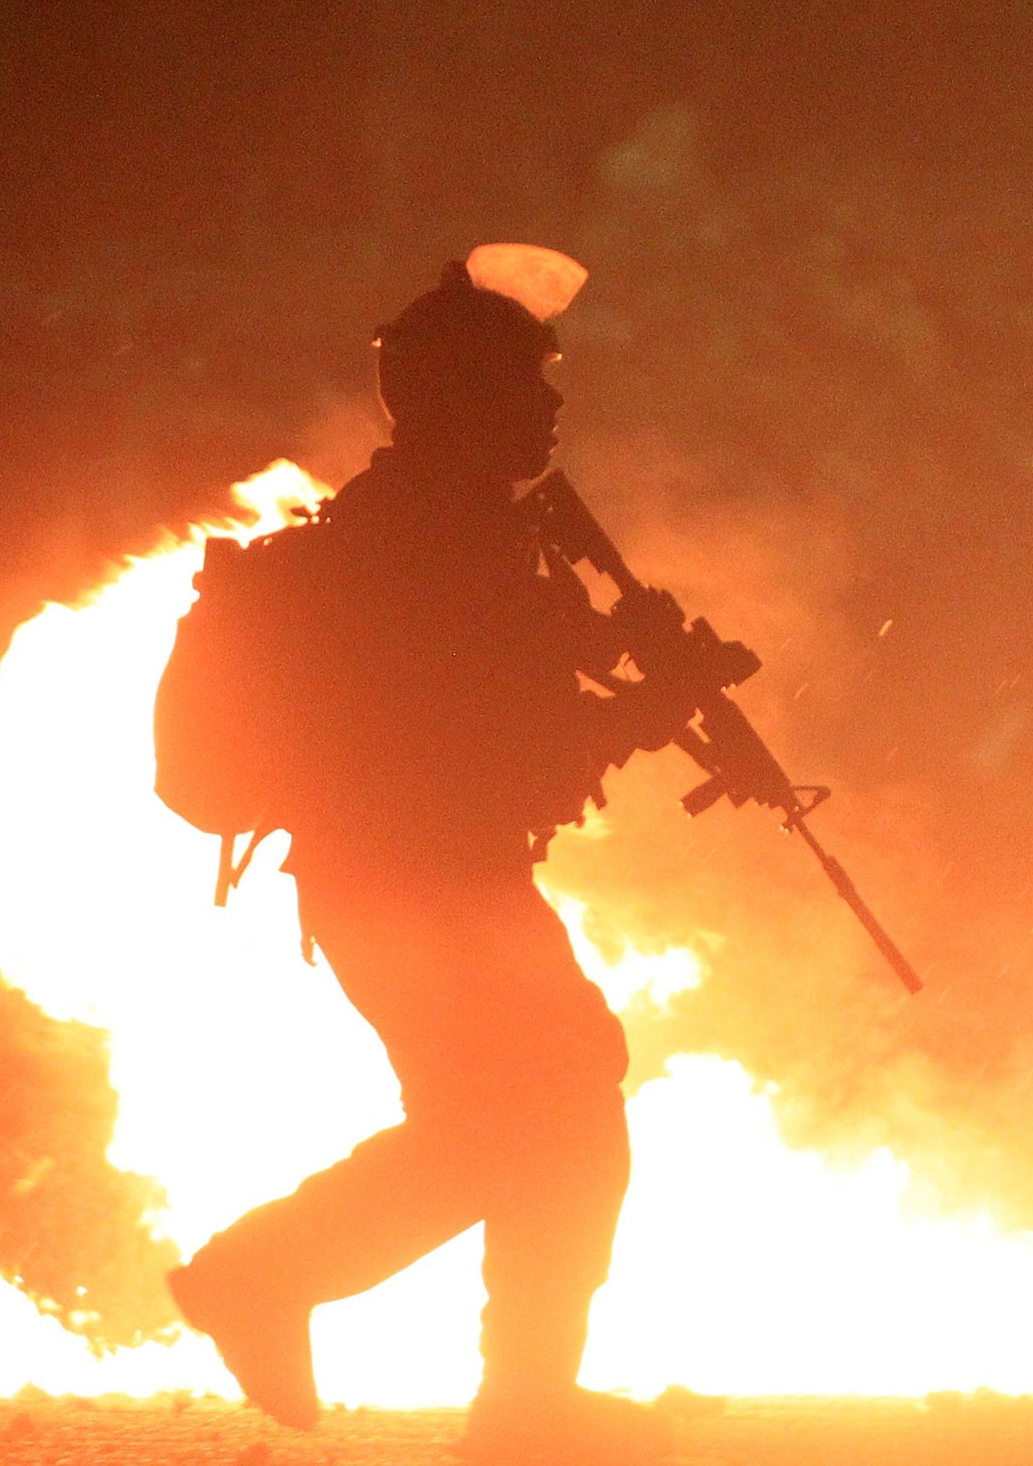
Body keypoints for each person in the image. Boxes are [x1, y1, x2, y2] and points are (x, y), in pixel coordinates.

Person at [166, 249, 686, 1463]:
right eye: (529, 385)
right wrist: (645, 707)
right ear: (465, 400)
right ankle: (286, 1286)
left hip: (409, 883)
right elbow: (504, 747)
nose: (553, 409)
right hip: (423, 885)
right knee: (539, 1108)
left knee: (525, 1110)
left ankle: (504, 1396)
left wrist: (634, 685)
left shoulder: (435, 535)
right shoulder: (439, 549)